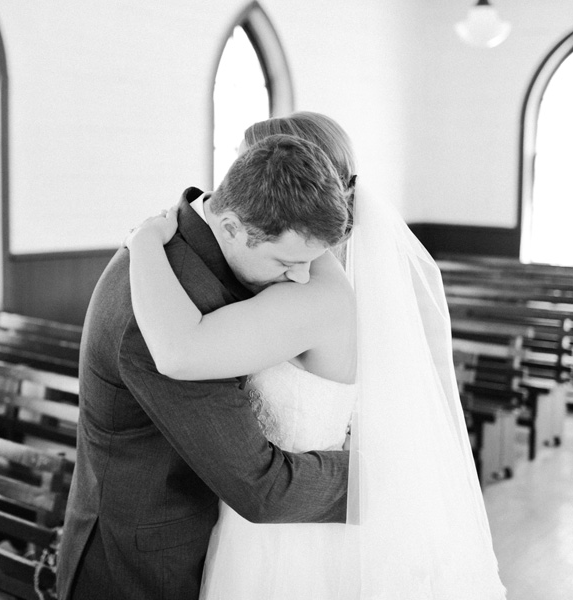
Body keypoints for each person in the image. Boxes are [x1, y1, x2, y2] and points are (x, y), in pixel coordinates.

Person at [125, 111, 507, 599]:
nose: (240, 183)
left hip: (289, 523)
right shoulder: (315, 273)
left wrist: (143, 244)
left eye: (254, 167)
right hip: (290, 505)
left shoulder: (310, 292)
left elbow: (180, 351)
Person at [57, 133, 354, 600]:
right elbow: (262, 487)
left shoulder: (192, 249)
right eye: (286, 262)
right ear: (232, 226)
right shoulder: (169, 310)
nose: (300, 279)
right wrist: (382, 476)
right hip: (139, 572)